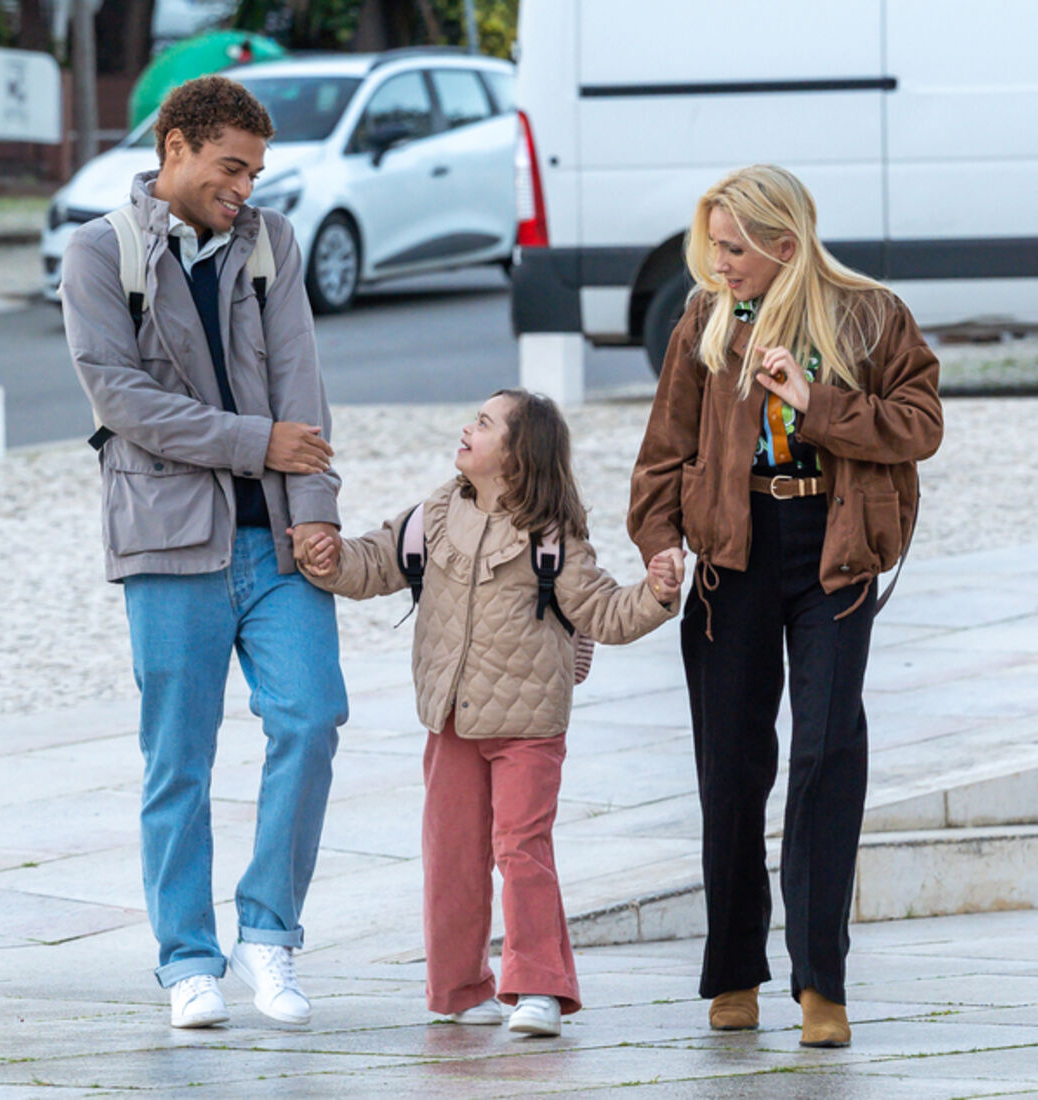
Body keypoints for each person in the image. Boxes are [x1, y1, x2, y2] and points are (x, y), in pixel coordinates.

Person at [629, 165, 943, 1047]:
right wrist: (659, 543)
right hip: (734, 556)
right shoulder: (703, 318)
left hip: (834, 554)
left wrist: (816, 403)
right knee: (730, 764)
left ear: (786, 245)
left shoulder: (870, 313)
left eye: (734, 248)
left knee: (826, 756)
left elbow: (920, 423)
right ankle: (733, 972)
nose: (718, 263)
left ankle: (821, 985)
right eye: (713, 245)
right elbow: (664, 449)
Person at [61, 76, 347, 1029]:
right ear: (174, 147)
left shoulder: (272, 242)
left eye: (256, 170)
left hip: (277, 546)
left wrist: (316, 510)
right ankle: (188, 959)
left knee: (310, 719)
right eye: (231, 167)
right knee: (177, 759)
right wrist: (253, 441)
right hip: (168, 542)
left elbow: (302, 382)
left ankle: (269, 936)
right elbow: (123, 402)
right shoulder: (99, 255)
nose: (245, 187)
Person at [299, 389, 678, 1037]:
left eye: (483, 423)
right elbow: (376, 562)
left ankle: (537, 989)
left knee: (521, 849)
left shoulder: (553, 535)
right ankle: (455, 988)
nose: (466, 428)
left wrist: (658, 592)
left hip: (528, 726)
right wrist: (331, 560)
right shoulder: (435, 514)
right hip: (449, 721)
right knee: (451, 854)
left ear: (518, 453)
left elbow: (606, 612)